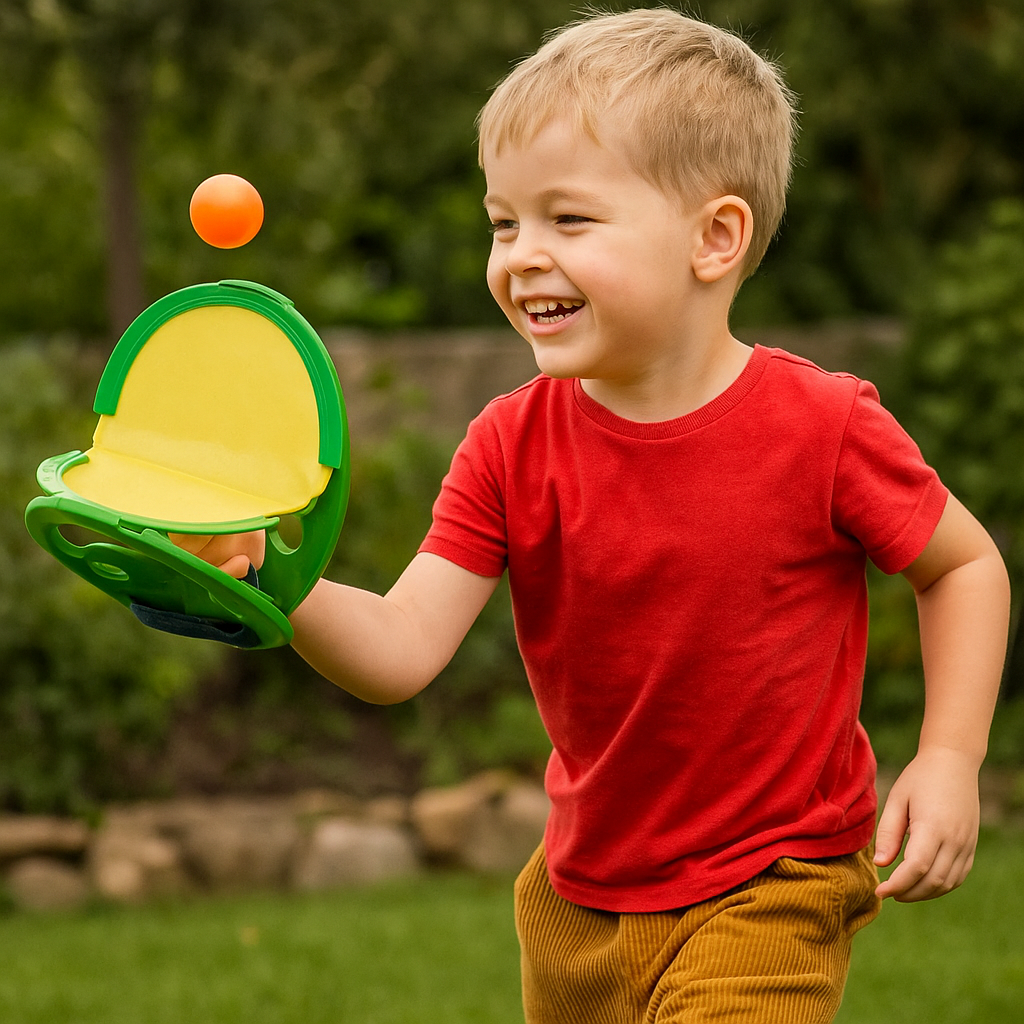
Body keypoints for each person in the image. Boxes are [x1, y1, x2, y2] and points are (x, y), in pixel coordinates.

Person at [179, 9, 1010, 1022]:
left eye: (568, 220)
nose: (522, 254)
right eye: (503, 221)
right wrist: (274, 575)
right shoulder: (506, 444)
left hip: (770, 884)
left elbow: (961, 566)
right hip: (578, 901)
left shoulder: (821, 426)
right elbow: (400, 647)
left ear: (714, 237)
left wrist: (950, 754)